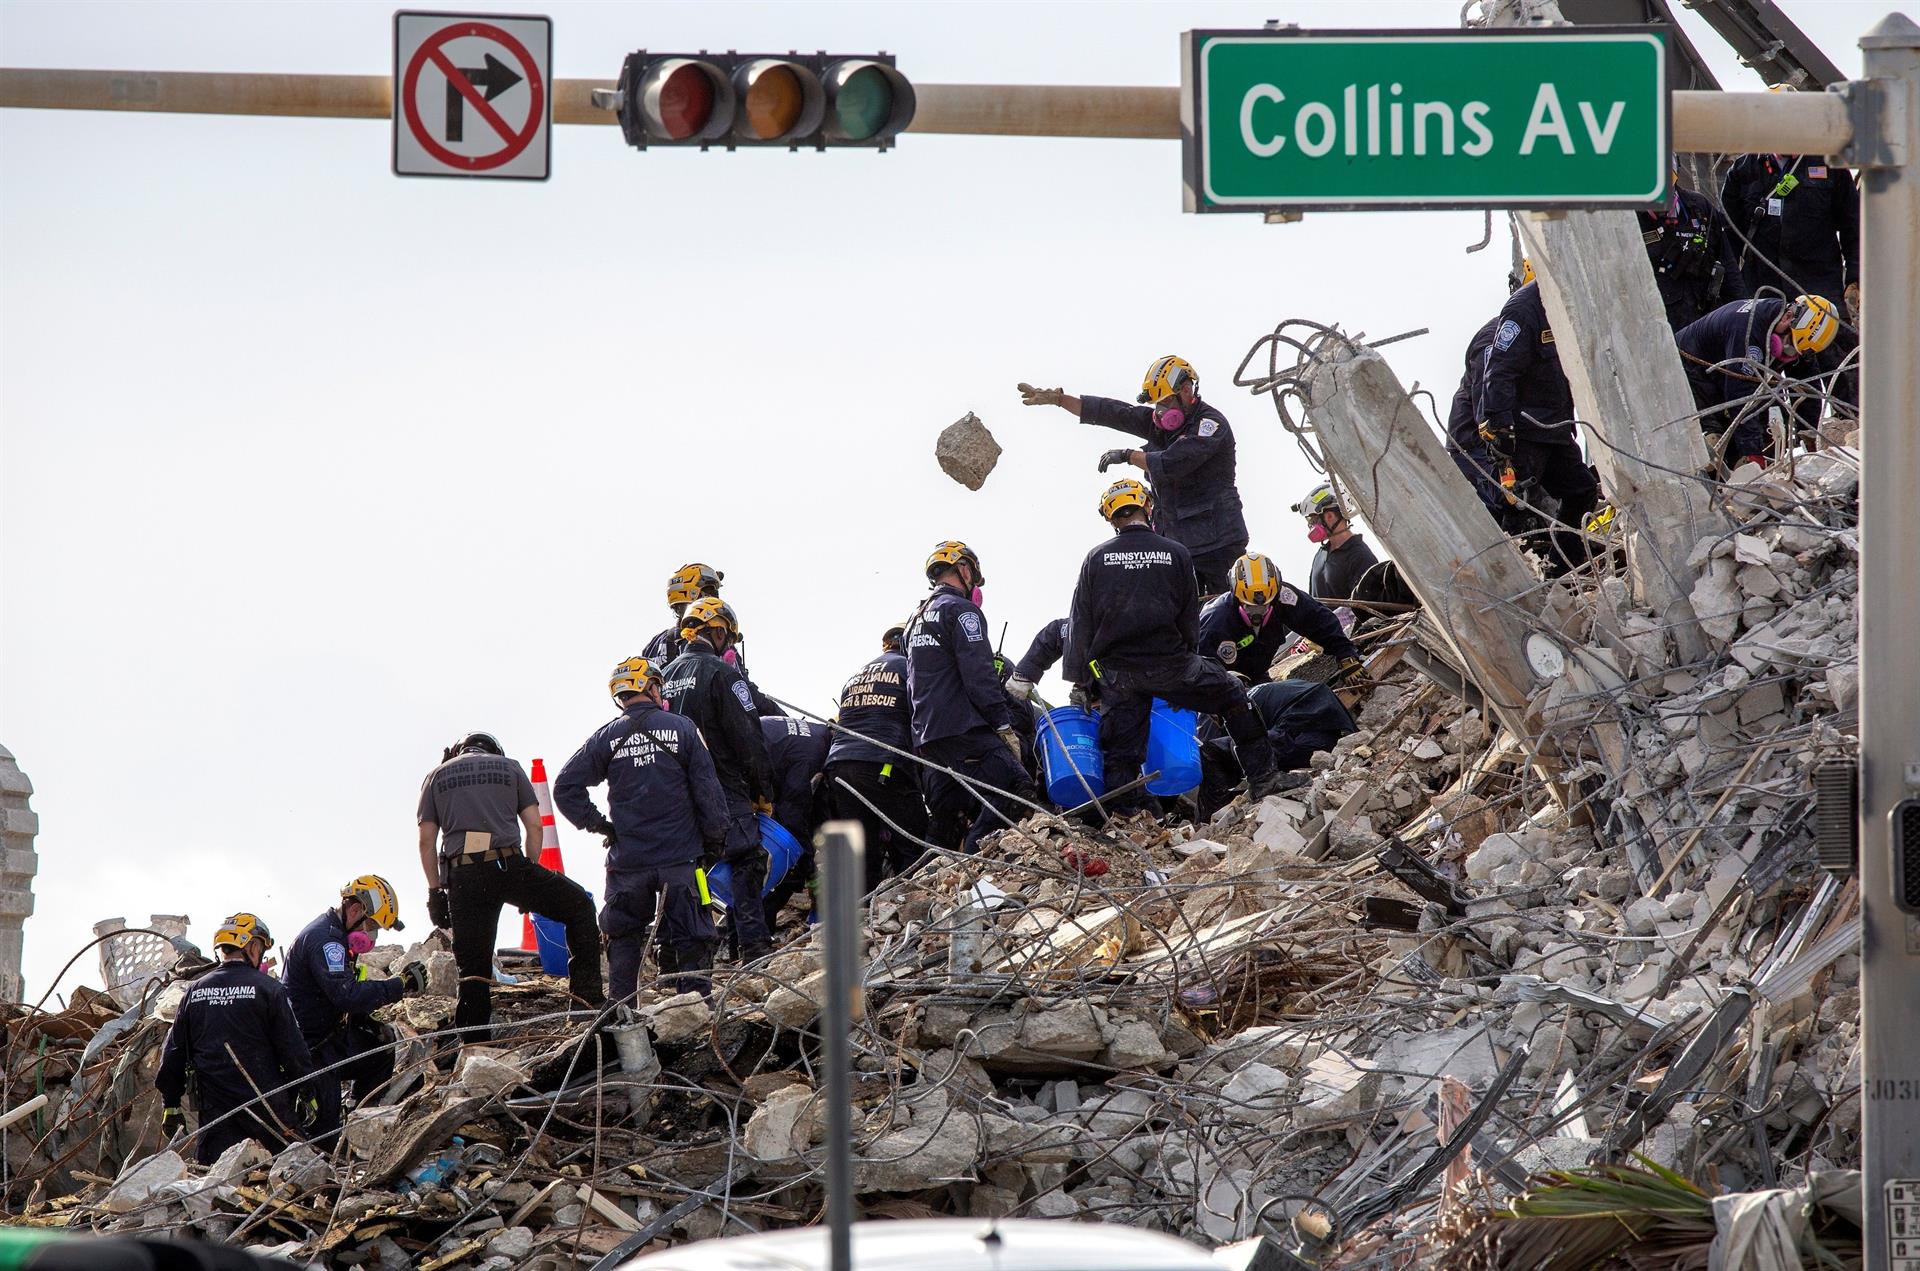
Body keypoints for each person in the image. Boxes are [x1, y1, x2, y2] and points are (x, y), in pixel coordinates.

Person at [1063, 479, 1284, 812]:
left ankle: (1125, 823)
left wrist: (1081, 682)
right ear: (1148, 507)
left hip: (1119, 675)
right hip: (1173, 665)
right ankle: (1264, 781)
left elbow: (1080, 624)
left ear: (1111, 518)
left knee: (1121, 753)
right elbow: (1188, 619)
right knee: (1235, 697)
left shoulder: (1096, 558)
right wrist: (1188, 673)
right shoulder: (1175, 553)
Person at [555, 657, 728, 999]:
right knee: (695, 933)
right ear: (651, 687)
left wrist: (600, 826)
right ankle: (695, 1007)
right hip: (682, 860)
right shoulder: (683, 728)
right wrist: (714, 844)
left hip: (628, 863)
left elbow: (565, 787)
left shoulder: (605, 738)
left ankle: (622, 1010)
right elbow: (710, 794)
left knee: (623, 937)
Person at [417, 732, 602, 1042]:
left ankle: (475, 1045)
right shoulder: (510, 767)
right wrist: (529, 876)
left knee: (473, 966)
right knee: (580, 907)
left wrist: (435, 892)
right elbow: (534, 826)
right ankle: (586, 1005)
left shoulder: (435, 776)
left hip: (465, 877)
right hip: (508, 864)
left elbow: (426, 841)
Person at [1017, 356, 1249, 593]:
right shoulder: (1162, 426)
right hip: (1178, 546)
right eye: (1157, 404)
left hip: (1217, 545)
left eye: (1166, 402)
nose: (1160, 412)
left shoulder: (1210, 425)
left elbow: (1173, 462)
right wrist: (1059, 400)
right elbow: (1116, 413)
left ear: (1187, 390)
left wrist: (1129, 456)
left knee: (1225, 613)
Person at [662, 597, 777, 961]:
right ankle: (753, 946)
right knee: (748, 859)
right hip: (722, 789)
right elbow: (748, 737)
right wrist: (763, 790)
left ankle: (671, 957)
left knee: (686, 872)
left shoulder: (661, 678)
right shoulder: (723, 674)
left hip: (675, 796)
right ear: (719, 630)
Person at [905, 541, 1034, 851]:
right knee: (1018, 790)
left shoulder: (914, 619)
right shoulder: (963, 611)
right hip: (963, 728)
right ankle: (977, 855)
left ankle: (927, 884)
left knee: (947, 818)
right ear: (963, 569)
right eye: (973, 575)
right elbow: (979, 674)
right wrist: (1002, 725)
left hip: (929, 736)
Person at [157, 914, 314, 1165]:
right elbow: (292, 1049)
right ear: (252, 946)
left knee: (214, 1183)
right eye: (261, 947)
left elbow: (173, 1053)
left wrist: (172, 1104)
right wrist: (307, 1089)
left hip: (217, 1111)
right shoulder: (268, 989)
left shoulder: (194, 992)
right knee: (299, 1168)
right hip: (265, 1102)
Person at [1474, 278, 1600, 576]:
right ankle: (1510, 582)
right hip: (1524, 431)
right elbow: (1499, 373)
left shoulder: (1573, 300)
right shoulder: (1524, 309)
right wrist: (1501, 430)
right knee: (1516, 510)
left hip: (1556, 427)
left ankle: (1561, 575)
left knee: (1582, 492)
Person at [1721, 143, 1860, 410]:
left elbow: (1853, 226)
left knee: (1841, 366)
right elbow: (1729, 238)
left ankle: (1850, 428)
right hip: (1768, 290)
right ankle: (1800, 437)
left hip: (1820, 285)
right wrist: (1735, 296)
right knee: (1786, 371)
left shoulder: (1830, 166)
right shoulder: (1743, 170)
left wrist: (1854, 277)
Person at [285, 876, 417, 1144]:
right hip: (310, 1051)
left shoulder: (338, 937)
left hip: (330, 1039)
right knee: (324, 1137)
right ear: (355, 911)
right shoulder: (326, 940)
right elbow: (345, 995)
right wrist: (398, 986)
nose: (373, 935)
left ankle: (360, 1117)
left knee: (379, 1045)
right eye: (372, 926)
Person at [823, 620, 929, 887]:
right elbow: (924, 717)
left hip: (839, 767)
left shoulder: (856, 675)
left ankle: (866, 916)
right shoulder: (910, 667)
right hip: (884, 763)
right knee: (912, 840)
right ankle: (910, 898)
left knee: (863, 852)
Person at [1674, 294, 1839, 464]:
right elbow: (1740, 394)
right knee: (1717, 444)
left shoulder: (1793, 332)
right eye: (1790, 349)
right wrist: (1752, 452)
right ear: (1787, 318)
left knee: (1773, 433)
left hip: (1728, 372)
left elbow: (1805, 384)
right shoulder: (1749, 331)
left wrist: (1810, 435)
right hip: (1689, 371)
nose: (1788, 356)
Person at [1198, 552, 1359, 685]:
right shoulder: (1215, 622)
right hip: (1225, 686)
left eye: (1265, 606)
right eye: (1250, 606)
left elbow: (1318, 620)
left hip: (1258, 675)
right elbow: (1200, 671)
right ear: (1236, 595)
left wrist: (1345, 654)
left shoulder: (1283, 597)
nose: (1258, 613)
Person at [643, 565, 783, 716]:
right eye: (710, 592)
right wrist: (780, 718)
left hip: (662, 730)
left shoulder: (653, 645)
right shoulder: (713, 640)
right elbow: (743, 691)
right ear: (694, 594)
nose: (716, 599)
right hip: (706, 729)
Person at [1640, 178, 1748, 332]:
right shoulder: (1629, 219)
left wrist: (1744, 313)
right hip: (1661, 324)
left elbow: (1728, 267)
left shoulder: (1699, 206)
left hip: (1705, 317)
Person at [1290, 485, 1382, 606]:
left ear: (1329, 516)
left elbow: (1364, 609)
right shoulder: (1321, 554)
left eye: (1313, 520)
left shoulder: (1361, 556)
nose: (1312, 526)